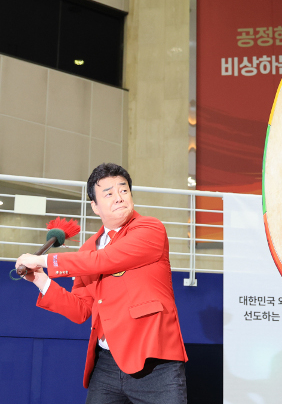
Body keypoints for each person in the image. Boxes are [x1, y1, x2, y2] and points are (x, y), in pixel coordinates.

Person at [16, 163, 188, 404]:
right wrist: (40, 279)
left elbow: (106, 259)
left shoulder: (149, 228)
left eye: (124, 190)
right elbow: (81, 310)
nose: (118, 197)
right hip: (106, 364)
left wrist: (43, 260)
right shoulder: (88, 250)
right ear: (94, 206)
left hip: (154, 359)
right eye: (108, 193)